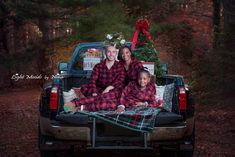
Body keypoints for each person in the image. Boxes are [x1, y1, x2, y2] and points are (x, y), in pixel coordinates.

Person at [66, 45, 125, 111]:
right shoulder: (98, 66)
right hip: (99, 90)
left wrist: (108, 88)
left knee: (109, 98)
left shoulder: (120, 66)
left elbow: (120, 80)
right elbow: (92, 80)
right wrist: (94, 91)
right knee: (85, 88)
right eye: (109, 52)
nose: (111, 54)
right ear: (105, 53)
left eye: (113, 52)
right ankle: (86, 104)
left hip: (113, 90)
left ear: (116, 54)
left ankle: (77, 105)